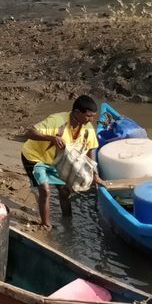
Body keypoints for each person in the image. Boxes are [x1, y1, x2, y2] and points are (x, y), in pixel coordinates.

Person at [20, 94, 101, 228]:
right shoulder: (56, 121)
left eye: (93, 116)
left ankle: (68, 223)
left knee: (65, 191)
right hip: (35, 157)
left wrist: (95, 175)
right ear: (77, 112)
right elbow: (29, 133)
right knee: (45, 190)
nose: (91, 119)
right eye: (88, 116)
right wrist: (52, 138)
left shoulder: (87, 128)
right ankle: (46, 225)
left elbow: (90, 150)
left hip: (57, 161)